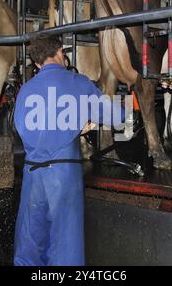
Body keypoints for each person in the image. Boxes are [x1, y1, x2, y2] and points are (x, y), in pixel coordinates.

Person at [13, 36, 126, 266]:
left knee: (29, 247)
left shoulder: (25, 90)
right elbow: (117, 117)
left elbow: (21, 128)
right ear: (60, 52)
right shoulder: (77, 82)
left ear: (36, 63)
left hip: (32, 175)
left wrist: (67, 127)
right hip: (63, 175)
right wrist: (134, 102)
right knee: (65, 247)